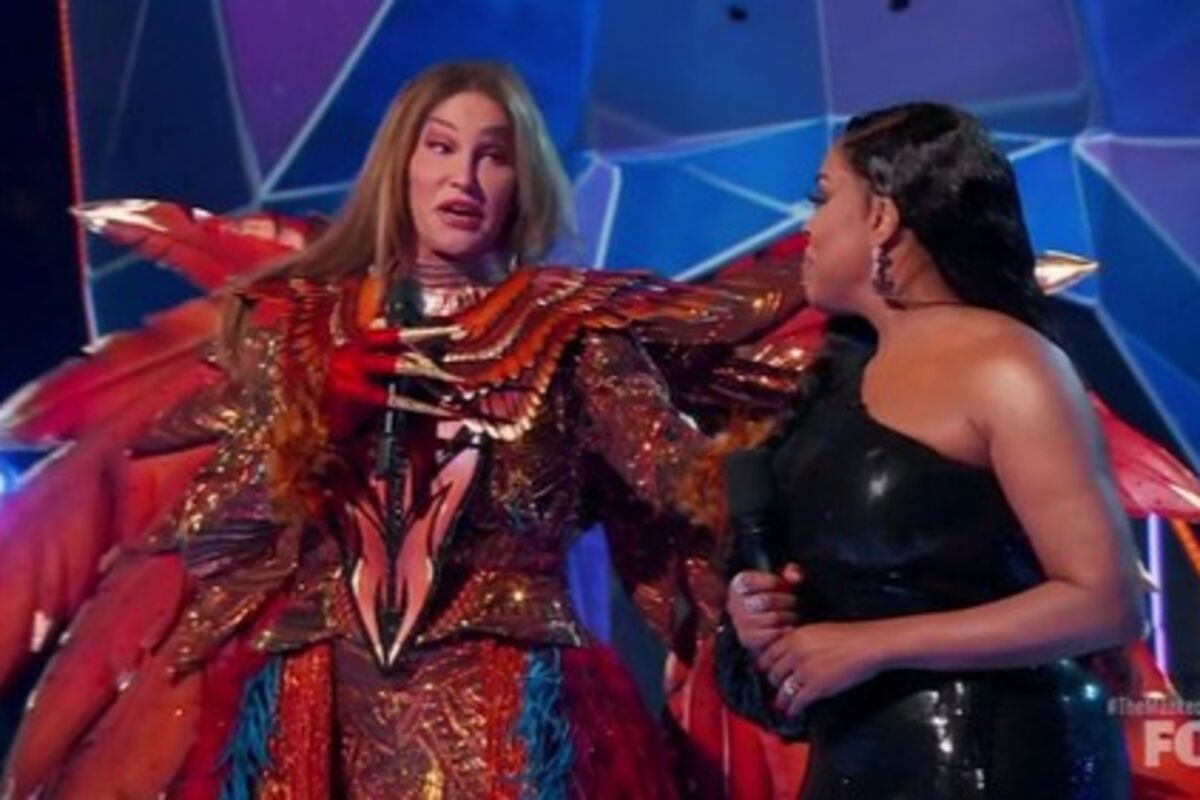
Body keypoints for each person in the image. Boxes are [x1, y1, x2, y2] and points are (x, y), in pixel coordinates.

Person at [0, 61, 805, 798]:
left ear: (523, 179)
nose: (464, 177)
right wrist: (317, 426)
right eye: (441, 147)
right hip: (317, 721)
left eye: (493, 156)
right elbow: (220, 539)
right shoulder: (299, 329)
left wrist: (796, 496)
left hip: (509, 722)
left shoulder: (571, 330)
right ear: (402, 165)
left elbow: (680, 474)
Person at [718, 102, 1144, 798]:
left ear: (882, 217)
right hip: (856, 763)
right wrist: (760, 607)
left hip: (996, 763)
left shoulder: (1008, 364)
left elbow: (1105, 602)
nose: (806, 227)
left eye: (823, 198)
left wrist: (875, 645)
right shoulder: (837, 381)